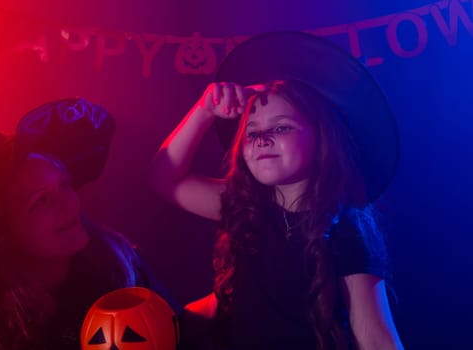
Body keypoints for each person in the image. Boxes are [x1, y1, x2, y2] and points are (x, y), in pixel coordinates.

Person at [150, 31, 403, 349]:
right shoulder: (245, 205)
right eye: (252, 132)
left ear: (323, 137)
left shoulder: (346, 228)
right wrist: (203, 111)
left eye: (281, 127)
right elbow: (164, 179)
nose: (262, 138)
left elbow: (376, 338)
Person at [0, 98, 176, 349]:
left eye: (64, 185)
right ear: (3, 230)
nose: (68, 204)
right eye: (41, 201)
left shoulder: (121, 265)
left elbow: (176, 332)